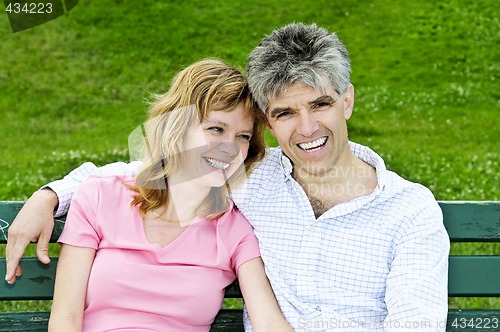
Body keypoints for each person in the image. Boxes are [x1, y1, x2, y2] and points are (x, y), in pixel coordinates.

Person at [6, 23, 450, 331]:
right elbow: (152, 172)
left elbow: (416, 324)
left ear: (347, 101)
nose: (308, 128)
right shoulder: (249, 177)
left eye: (320, 104)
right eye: (285, 113)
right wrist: (51, 195)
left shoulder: (409, 210)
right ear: (269, 125)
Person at [45, 59, 292, 331]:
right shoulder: (100, 197)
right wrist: (45, 198)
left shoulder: (233, 229)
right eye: (216, 129)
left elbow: (268, 320)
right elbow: (64, 320)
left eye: (243, 136)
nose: (230, 149)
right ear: (178, 127)